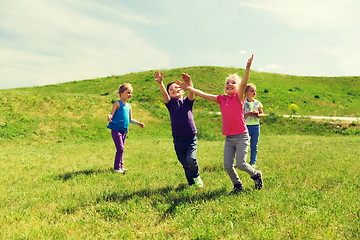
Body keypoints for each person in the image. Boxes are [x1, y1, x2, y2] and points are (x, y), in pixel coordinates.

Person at [177, 55, 263, 193]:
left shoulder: (238, 97)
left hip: (241, 137)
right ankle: (237, 185)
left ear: (238, 87)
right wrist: (189, 88)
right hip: (229, 138)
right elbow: (203, 94)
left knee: (241, 164)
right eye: (227, 83)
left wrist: (247, 68)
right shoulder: (221, 99)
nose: (229, 84)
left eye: (233, 83)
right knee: (228, 165)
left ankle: (256, 174)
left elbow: (243, 83)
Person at [154, 70, 203, 188]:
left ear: (182, 90)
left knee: (191, 159)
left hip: (190, 138)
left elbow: (192, 93)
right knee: (185, 163)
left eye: (177, 87)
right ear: (169, 93)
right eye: (171, 89)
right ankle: (191, 184)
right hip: (177, 139)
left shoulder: (187, 102)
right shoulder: (170, 104)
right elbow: (164, 96)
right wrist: (161, 83)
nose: (174, 89)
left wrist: (189, 83)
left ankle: (196, 177)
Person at [107, 83, 144, 174]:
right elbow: (111, 113)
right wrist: (109, 116)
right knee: (120, 148)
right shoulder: (117, 103)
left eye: (131, 93)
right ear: (121, 93)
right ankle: (116, 168)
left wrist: (138, 123)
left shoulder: (129, 106)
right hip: (116, 129)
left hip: (124, 130)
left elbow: (130, 119)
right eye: (128, 92)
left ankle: (121, 166)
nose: (130, 95)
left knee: (121, 148)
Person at [244, 83, 264, 167]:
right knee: (244, 145)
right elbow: (241, 116)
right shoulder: (243, 103)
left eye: (255, 91)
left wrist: (257, 115)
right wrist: (249, 113)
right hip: (246, 126)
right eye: (252, 91)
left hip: (256, 126)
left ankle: (253, 162)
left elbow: (262, 114)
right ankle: (243, 162)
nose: (254, 92)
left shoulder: (257, 103)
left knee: (254, 145)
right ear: (246, 93)